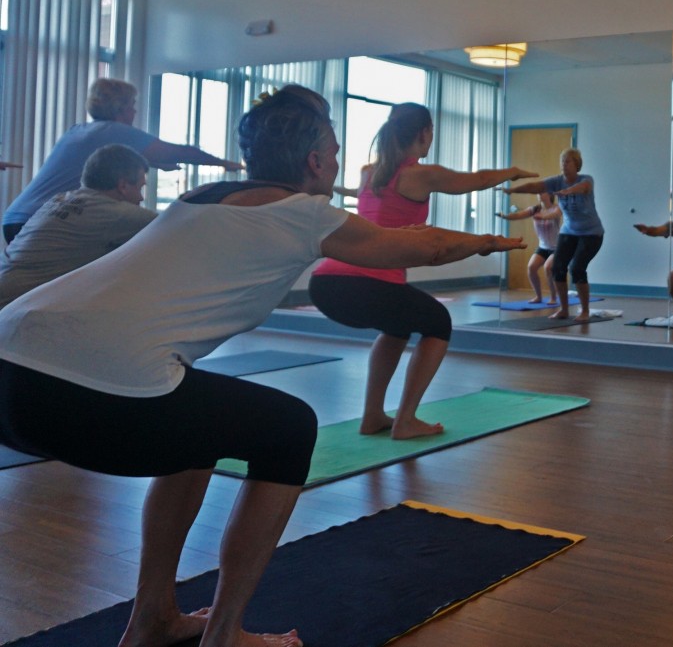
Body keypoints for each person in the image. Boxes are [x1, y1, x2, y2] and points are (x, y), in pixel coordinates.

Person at [0, 85, 523, 647]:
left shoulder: (201, 195)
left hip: (8, 367)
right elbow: (424, 247)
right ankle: (224, 635)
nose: (341, 160)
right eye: (336, 149)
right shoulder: (304, 213)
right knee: (290, 427)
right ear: (316, 162)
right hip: (89, 392)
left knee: (200, 431)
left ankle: (154, 619)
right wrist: (493, 240)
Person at [309, 102, 536, 440]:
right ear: (424, 133)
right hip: (365, 282)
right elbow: (478, 180)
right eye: (431, 133)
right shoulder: (419, 174)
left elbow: (368, 204)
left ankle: (372, 416)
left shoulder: (369, 171)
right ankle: (406, 420)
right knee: (438, 323)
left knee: (398, 329)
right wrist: (513, 171)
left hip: (326, 282)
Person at [2, 78, 243, 244]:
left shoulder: (79, 130)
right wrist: (225, 163)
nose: (135, 112)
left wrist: (157, 163)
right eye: (133, 105)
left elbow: (107, 158)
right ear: (121, 107)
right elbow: (180, 152)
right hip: (43, 221)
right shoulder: (116, 130)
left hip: (19, 217)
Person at [0, 144, 157, 308]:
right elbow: (176, 226)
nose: (140, 198)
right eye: (140, 188)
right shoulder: (116, 213)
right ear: (123, 186)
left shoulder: (60, 199)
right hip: (14, 310)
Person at [503, 148, 604, 321]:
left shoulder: (586, 179)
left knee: (577, 268)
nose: (564, 165)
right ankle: (563, 309)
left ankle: (585, 311)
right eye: (562, 162)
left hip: (591, 233)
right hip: (569, 231)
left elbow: (583, 188)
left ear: (577, 164)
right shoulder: (556, 182)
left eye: (568, 162)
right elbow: (535, 186)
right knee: (557, 268)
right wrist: (513, 190)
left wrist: (569, 191)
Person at [497, 192, 562, 303]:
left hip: (557, 247)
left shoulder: (557, 208)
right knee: (531, 268)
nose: (539, 194)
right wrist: (505, 216)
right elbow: (518, 215)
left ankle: (553, 297)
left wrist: (543, 216)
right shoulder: (534, 209)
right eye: (538, 192)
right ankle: (539, 297)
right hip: (543, 247)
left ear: (550, 194)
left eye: (542, 192)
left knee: (548, 268)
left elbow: (555, 215)